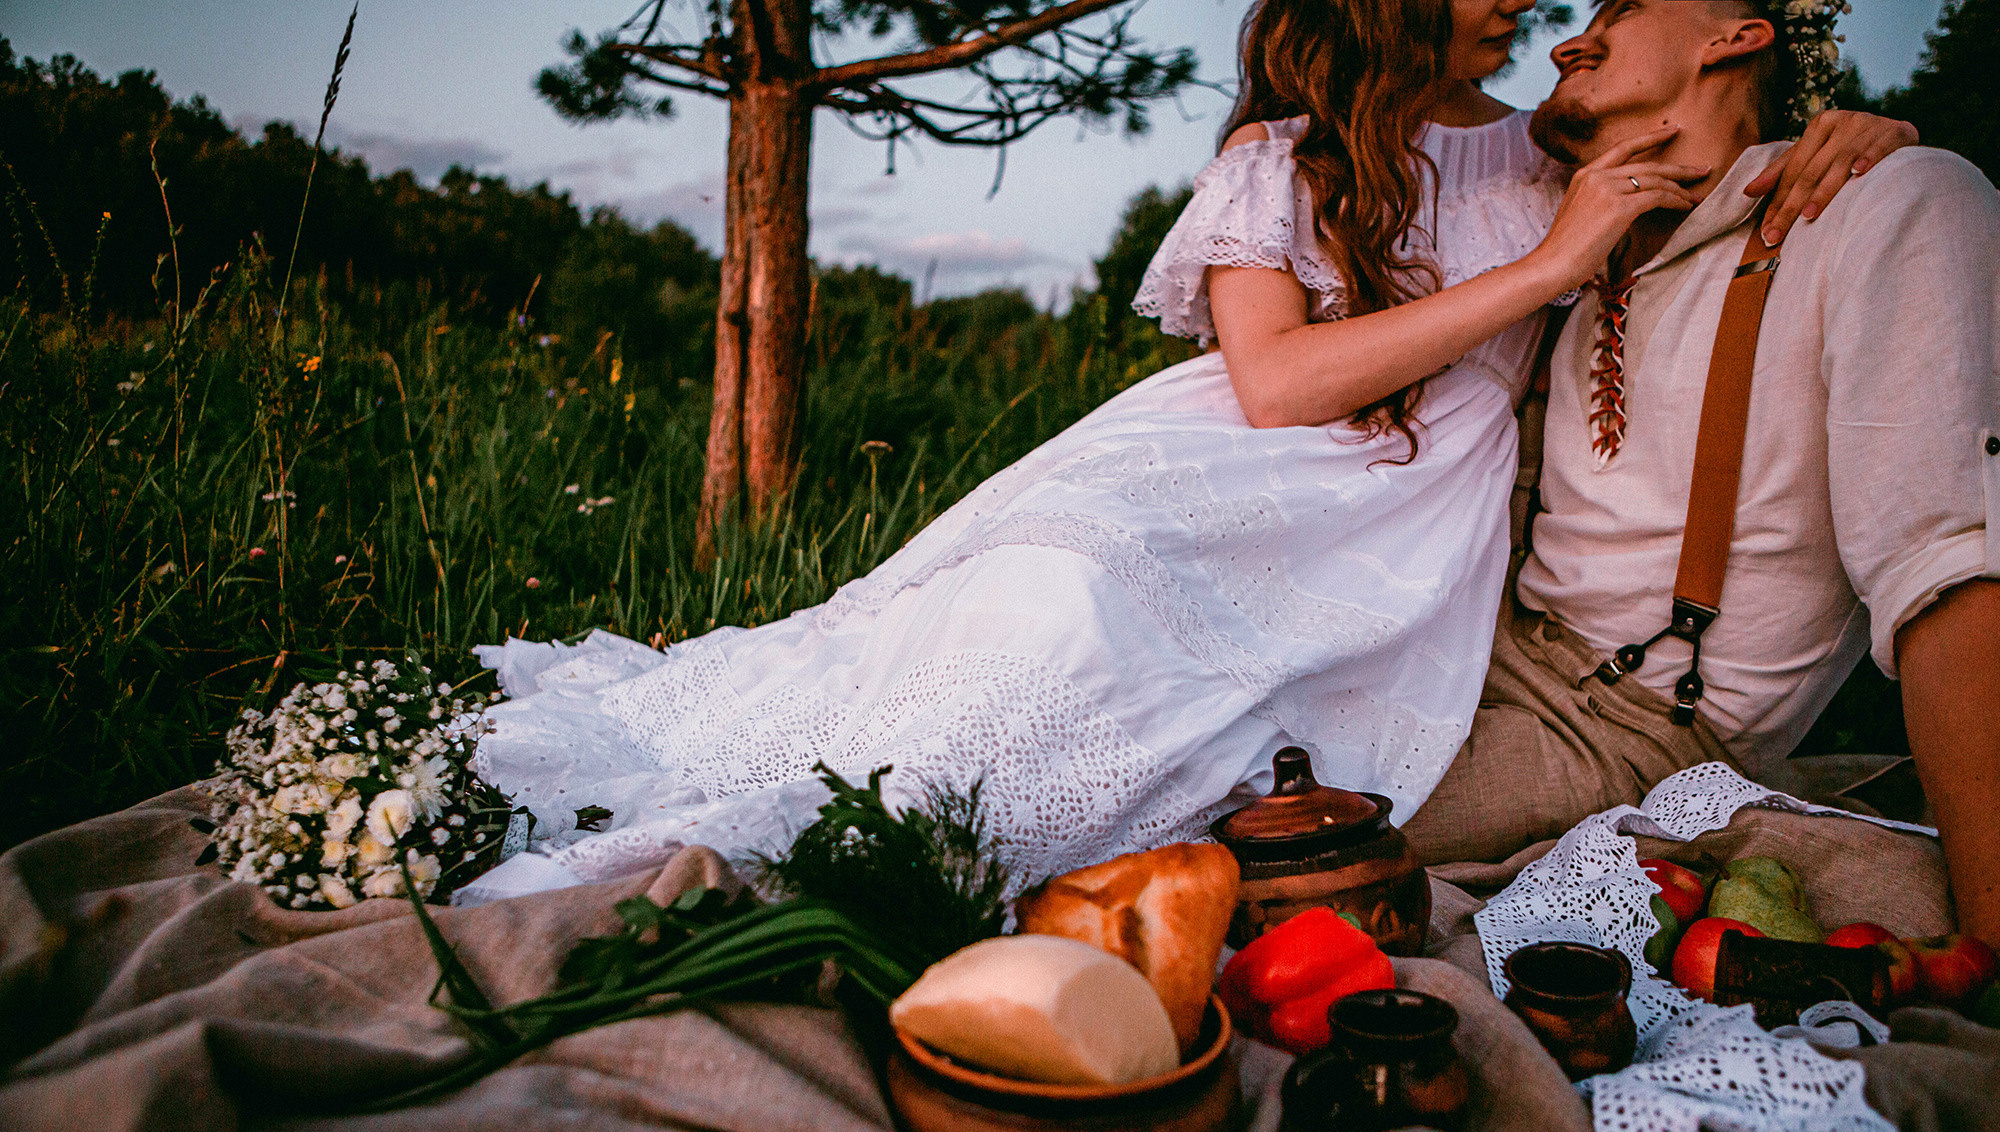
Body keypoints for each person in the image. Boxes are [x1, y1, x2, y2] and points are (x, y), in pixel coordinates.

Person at [464, 0, 1910, 903]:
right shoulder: (1281, 160)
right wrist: (1543, 274)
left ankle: (935, 852)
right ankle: (808, 822)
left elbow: (1717, 152)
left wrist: (1850, 125)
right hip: (1234, 483)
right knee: (1048, 623)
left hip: (1400, 546)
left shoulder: (1557, 154)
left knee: (1185, 739)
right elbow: (1273, 385)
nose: (1527, 5)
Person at [1400, 0, 2000, 944]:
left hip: (1616, 719)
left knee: (1276, 830)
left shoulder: (1882, 203)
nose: (1566, 39)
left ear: (1737, 34)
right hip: (1466, 643)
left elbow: (1949, 569)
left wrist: (1990, 941)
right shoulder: (1572, 229)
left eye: (1625, 8)